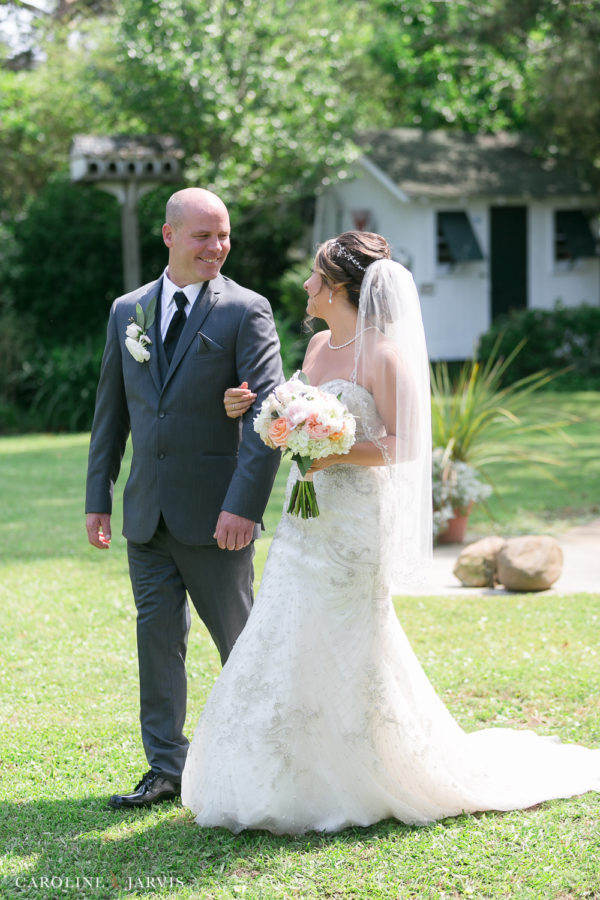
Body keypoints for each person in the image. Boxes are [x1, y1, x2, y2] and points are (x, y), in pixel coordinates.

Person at [181, 230, 600, 834]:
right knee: (287, 627)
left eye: (314, 277)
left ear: (337, 287)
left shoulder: (382, 354)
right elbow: (293, 414)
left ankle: (366, 767)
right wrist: (261, 413)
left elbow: (406, 446)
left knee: (351, 638)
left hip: (353, 524)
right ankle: (286, 768)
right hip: (306, 520)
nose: (305, 285)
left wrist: (334, 450)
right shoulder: (320, 347)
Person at [85, 187, 284, 809]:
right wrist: (99, 496)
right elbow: (110, 412)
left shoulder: (245, 310)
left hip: (218, 515)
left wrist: (244, 506)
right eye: (203, 236)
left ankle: (264, 757)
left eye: (223, 235)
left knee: (239, 643)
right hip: (147, 514)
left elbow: (271, 416)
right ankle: (166, 767)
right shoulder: (128, 311)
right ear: (169, 236)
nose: (217, 247)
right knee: (157, 642)